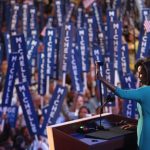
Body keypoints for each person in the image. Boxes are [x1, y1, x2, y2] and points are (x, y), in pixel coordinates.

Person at [96, 60, 150, 150]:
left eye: (141, 73)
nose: (139, 76)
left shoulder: (145, 91)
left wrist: (101, 79)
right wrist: (135, 127)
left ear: (148, 74)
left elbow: (122, 93)